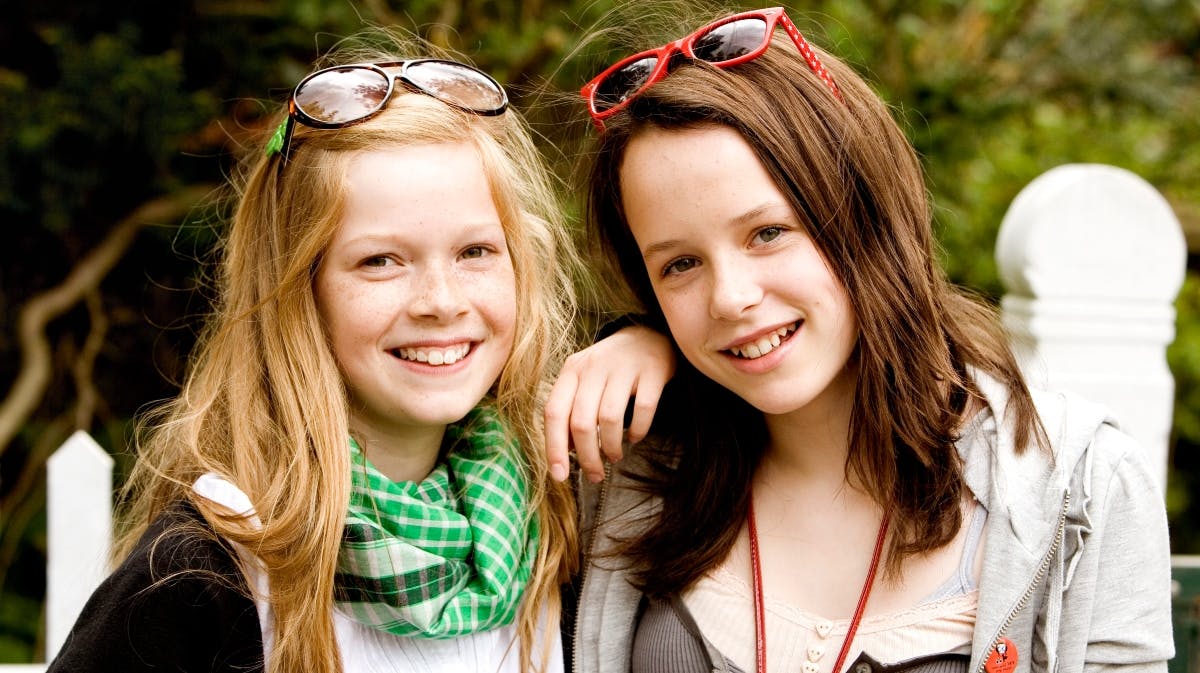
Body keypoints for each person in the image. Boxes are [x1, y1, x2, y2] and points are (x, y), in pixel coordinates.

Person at [545, 6, 1174, 673]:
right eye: (680, 264)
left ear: (864, 216)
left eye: (768, 233)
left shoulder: (1083, 488)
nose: (730, 297)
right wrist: (642, 339)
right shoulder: (618, 466)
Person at [48, 31, 581, 673]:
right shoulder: (206, 571)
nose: (440, 301)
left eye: (475, 252)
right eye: (380, 261)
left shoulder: (560, 523)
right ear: (300, 290)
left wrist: (646, 341)